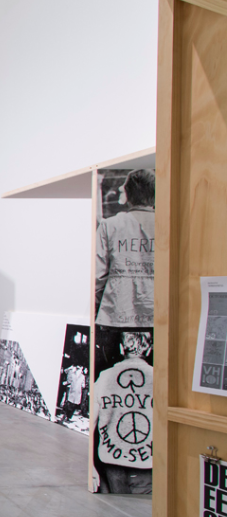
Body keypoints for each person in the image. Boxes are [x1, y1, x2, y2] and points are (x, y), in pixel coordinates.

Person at [93, 331, 154, 494]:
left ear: (121, 348)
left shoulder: (104, 377)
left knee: (115, 507)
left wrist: (90, 466)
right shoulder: (160, 378)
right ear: (149, 349)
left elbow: (91, 422)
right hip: (147, 463)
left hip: (111, 463)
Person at [95, 170, 156, 327]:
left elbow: (98, 277)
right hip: (158, 318)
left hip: (116, 318)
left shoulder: (110, 225)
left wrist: (98, 310)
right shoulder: (169, 226)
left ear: (128, 193)